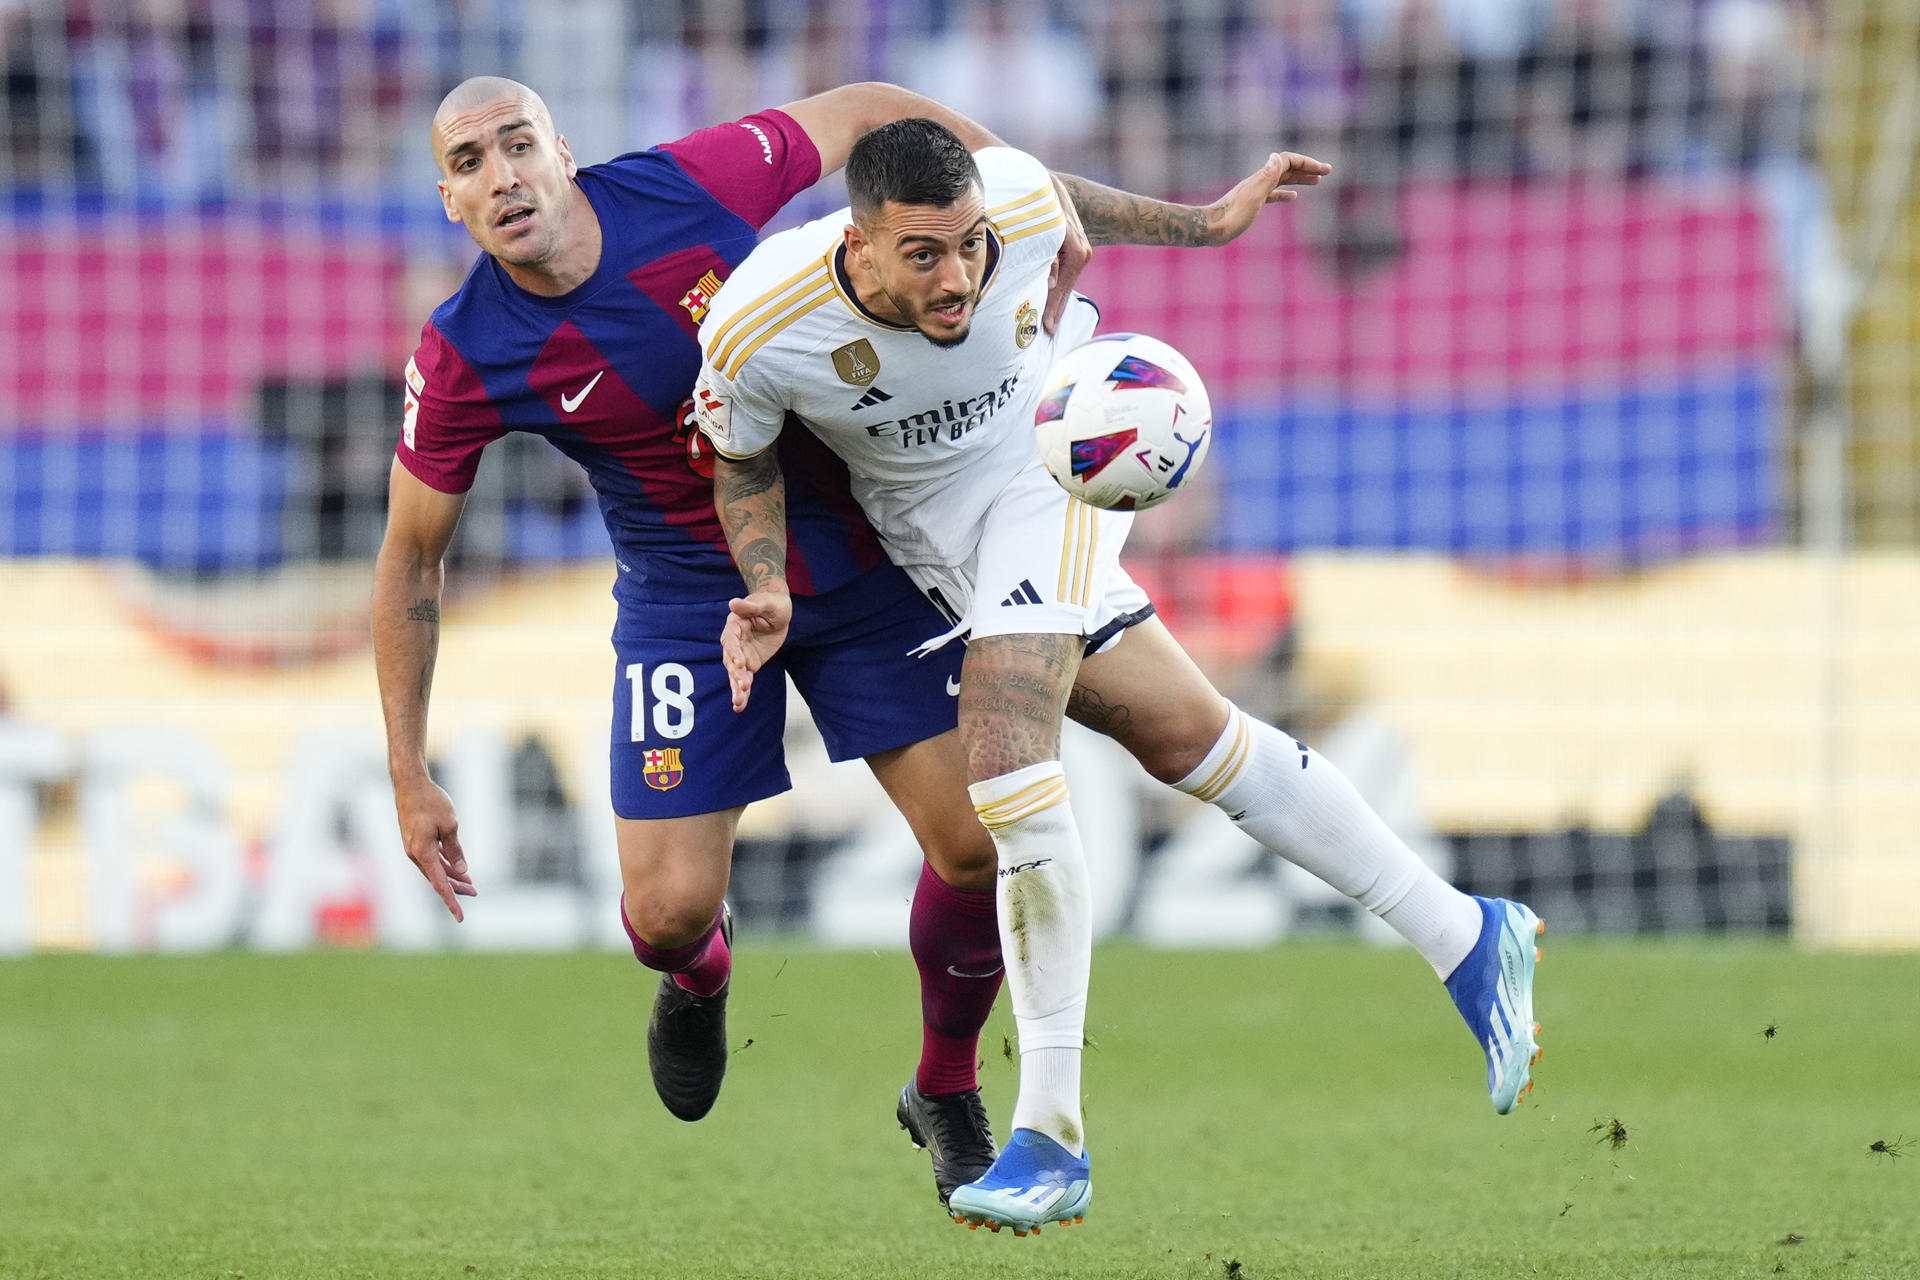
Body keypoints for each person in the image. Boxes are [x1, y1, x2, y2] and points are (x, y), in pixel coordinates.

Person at [694, 118, 1544, 1235]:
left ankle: (1052, 1130)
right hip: (937, 543)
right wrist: (767, 579)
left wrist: (1213, 220)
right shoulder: (762, 320)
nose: (957, 277)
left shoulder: (1010, 204)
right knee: (1188, 735)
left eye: (970, 248)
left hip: (1052, 470)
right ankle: (1467, 932)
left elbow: (1065, 200)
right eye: (924, 255)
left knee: (1004, 753)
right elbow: (744, 459)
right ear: (858, 239)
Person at [371, 78, 1085, 1203]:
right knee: (664, 916)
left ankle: (943, 1083)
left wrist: (1004, 189)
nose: (503, 176)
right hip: (686, 601)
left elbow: (866, 109)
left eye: (518, 145)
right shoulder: (468, 349)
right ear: (449, 201)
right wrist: (409, 771)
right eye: (469, 162)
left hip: (860, 561)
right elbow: (412, 555)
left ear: (563, 149)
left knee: (974, 842)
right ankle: (697, 981)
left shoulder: (684, 183)